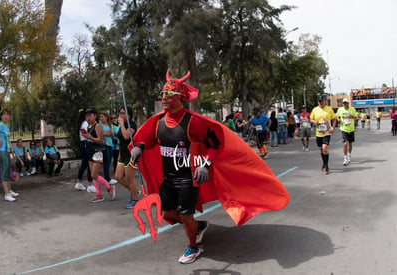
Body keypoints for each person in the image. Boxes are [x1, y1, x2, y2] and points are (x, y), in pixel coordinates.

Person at [130, 69, 289, 264]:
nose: (164, 98)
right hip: (168, 178)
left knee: (185, 214)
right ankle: (198, 226)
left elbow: (215, 145)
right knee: (168, 214)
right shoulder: (158, 123)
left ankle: (193, 247)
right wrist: (139, 147)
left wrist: (204, 166)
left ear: (180, 97)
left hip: (189, 178)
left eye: (169, 94)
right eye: (163, 94)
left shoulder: (193, 122)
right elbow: (152, 140)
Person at [82, 107, 115, 202]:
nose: (88, 118)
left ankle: (109, 187)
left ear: (95, 116)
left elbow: (100, 140)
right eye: (87, 116)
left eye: (90, 115)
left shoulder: (97, 126)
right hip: (90, 152)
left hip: (97, 152)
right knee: (94, 175)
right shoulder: (89, 126)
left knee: (93, 175)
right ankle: (98, 194)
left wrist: (90, 137)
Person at [0, 109, 19, 202]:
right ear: (1, 117)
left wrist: (11, 151)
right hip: (2, 151)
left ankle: (9, 190)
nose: (6, 116)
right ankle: (6, 194)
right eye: (4, 115)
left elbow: (8, 141)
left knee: (8, 170)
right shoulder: (0, 125)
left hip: (7, 151)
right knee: (4, 171)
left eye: (7, 115)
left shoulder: (6, 126)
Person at [114, 106, 140, 208]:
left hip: (130, 155)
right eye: (120, 113)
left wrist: (121, 123)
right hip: (123, 154)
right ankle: (135, 191)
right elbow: (121, 141)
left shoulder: (132, 125)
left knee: (130, 178)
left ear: (128, 115)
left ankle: (134, 199)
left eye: (122, 113)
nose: (120, 115)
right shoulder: (122, 125)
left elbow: (126, 136)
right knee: (118, 177)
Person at [310, 95, 337, 175]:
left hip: (327, 132)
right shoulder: (315, 109)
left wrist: (332, 127)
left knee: (325, 148)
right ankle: (324, 163)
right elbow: (311, 119)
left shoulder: (329, 109)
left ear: (325, 101)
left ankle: (326, 166)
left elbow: (334, 119)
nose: (321, 103)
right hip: (319, 132)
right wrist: (314, 122)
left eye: (322, 101)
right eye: (319, 101)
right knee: (321, 149)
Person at [74, 109, 94, 192]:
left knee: (84, 163)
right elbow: (87, 134)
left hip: (83, 144)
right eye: (87, 115)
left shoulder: (81, 124)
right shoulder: (85, 124)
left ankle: (79, 181)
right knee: (89, 164)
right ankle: (90, 184)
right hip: (86, 144)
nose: (89, 117)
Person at [336, 98, 358, 166]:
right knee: (345, 143)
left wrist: (351, 116)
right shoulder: (340, 109)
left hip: (351, 129)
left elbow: (356, 117)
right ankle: (345, 158)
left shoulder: (352, 109)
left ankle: (349, 155)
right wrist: (338, 119)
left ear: (348, 103)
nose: (344, 104)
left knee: (350, 143)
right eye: (343, 103)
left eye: (346, 103)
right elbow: (337, 116)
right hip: (344, 129)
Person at [99, 111, 115, 184]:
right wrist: (106, 133)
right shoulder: (100, 125)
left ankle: (107, 177)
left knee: (109, 161)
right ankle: (107, 178)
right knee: (106, 162)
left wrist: (110, 134)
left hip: (110, 144)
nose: (101, 118)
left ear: (106, 117)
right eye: (100, 117)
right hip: (104, 145)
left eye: (102, 116)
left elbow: (112, 133)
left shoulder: (109, 124)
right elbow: (99, 134)